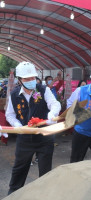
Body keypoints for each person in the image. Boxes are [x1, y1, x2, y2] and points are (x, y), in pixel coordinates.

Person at [5, 61, 61, 195]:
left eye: (33, 78)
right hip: (24, 139)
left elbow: (55, 104)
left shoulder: (43, 89)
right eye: (27, 78)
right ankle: (13, 195)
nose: (31, 81)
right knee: (19, 170)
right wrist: (18, 126)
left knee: (46, 172)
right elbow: (10, 115)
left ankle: (45, 195)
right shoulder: (14, 95)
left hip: (44, 137)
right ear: (20, 80)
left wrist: (52, 114)